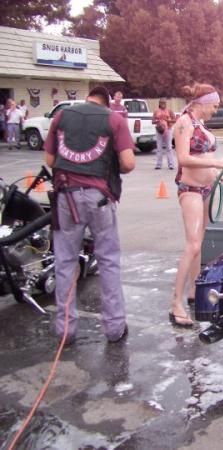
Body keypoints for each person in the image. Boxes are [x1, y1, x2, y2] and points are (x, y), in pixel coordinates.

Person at [44, 85, 136, 344]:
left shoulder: (61, 116)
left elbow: (50, 160)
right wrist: (111, 165)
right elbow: (129, 163)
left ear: (87, 99)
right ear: (106, 102)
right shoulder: (114, 119)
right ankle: (114, 328)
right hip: (99, 198)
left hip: (66, 197)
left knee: (64, 262)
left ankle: (65, 330)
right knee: (108, 261)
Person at [170, 83, 223, 327]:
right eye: (214, 105)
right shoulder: (184, 122)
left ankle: (194, 291)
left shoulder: (199, 124)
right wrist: (216, 164)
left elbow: (204, 156)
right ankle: (176, 303)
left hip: (206, 188)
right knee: (193, 245)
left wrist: (217, 174)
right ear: (203, 103)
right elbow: (183, 158)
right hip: (191, 191)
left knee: (200, 243)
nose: (215, 110)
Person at [152, 98, 176, 170]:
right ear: (159, 103)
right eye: (162, 103)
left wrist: (168, 120)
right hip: (159, 130)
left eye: (164, 103)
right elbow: (152, 121)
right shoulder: (156, 111)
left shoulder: (169, 111)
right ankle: (158, 164)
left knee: (169, 147)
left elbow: (174, 120)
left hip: (168, 130)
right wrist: (157, 121)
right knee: (159, 147)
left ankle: (171, 164)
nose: (163, 104)